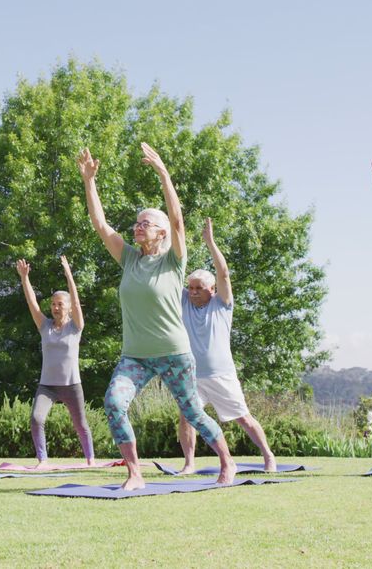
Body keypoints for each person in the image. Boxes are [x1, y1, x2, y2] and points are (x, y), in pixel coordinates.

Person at [77, 143, 237, 490]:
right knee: (113, 402)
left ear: (161, 233)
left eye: (145, 224)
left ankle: (227, 461)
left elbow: (178, 220)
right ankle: (135, 473)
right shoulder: (130, 259)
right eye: (136, 223)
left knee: (193, 413)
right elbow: (101, 226)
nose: (137, 227)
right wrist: (90, 181)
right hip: (134, 356)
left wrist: (164, 173)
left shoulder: (173, 261)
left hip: (174, 354)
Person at [177, 217, 277, 474]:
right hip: (192, 375)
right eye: (191, 288)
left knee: (243, 417)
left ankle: (268, 456)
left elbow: (223, 273)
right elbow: (172, 273)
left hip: (221, 374)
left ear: (212, 289)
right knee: (186, 417)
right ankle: (189, 464)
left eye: (199, 288)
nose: (194, 292)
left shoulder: (221, 304)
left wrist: (210, 243)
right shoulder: (185, 302)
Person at [15, 255, 95, 468]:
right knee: (36, 419)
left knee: (81, 425)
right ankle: (42, 460)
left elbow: (77, 302)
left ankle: (90, 460)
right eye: (52, 304)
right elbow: (32, 303)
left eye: (60, 304)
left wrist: (69, 275)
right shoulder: (45, 326)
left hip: (71, 385)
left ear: (68, 307)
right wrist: (24, 279)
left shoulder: (75, 326)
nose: (55, 307)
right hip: (47, 385)